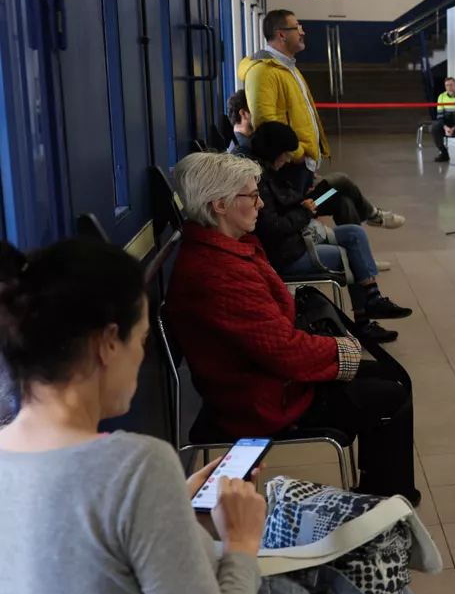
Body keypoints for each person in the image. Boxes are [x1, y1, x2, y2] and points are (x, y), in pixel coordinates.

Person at [0, 238, 297, 594]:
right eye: (141, 340)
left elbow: (89, 569)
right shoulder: (137, 468)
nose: (142, 357)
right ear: (108, 343)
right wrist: (241, 542)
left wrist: (173, 506)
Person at [166, 151, 420, 504]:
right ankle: (387, 500)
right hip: (260, 400)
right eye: (252, 196)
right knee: (390, 395)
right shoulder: (218, 272)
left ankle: (381, 494)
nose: (259, 203)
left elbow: (273, 337)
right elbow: (284, 350)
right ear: (219, 205)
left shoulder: (225, 250)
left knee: (388, 381)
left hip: (265, 381)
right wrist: (341, 351)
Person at [247, 121, 411, 343]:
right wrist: (305, 211)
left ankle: (372, 297)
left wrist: (304, 201)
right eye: (286, 155)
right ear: (275, 151)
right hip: (289, 252)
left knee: (352, 226)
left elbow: (283, 203)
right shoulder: (259, 179)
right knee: (342, 195)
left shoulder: (271, 173)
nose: (288, 159)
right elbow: (273, 226)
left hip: (298, 236)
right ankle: (365, 319)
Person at [226, 89, 406, 231]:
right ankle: (372, 215)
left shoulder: (253, 142)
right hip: (303, 203)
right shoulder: (246, 150)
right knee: (341, 182)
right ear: (244, 113)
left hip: (301, 196)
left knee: (341, 199)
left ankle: (357, 250)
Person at [239, 9, 326, 194]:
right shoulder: (263, 71)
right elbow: (265, 123)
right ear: (281, 35)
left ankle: (366, 211)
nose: (302, 32)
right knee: (309, 204)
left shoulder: (288, 67)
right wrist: (297, 154)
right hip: (290, 168)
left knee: (333, 192)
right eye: (297, 27)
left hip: (303, 165)